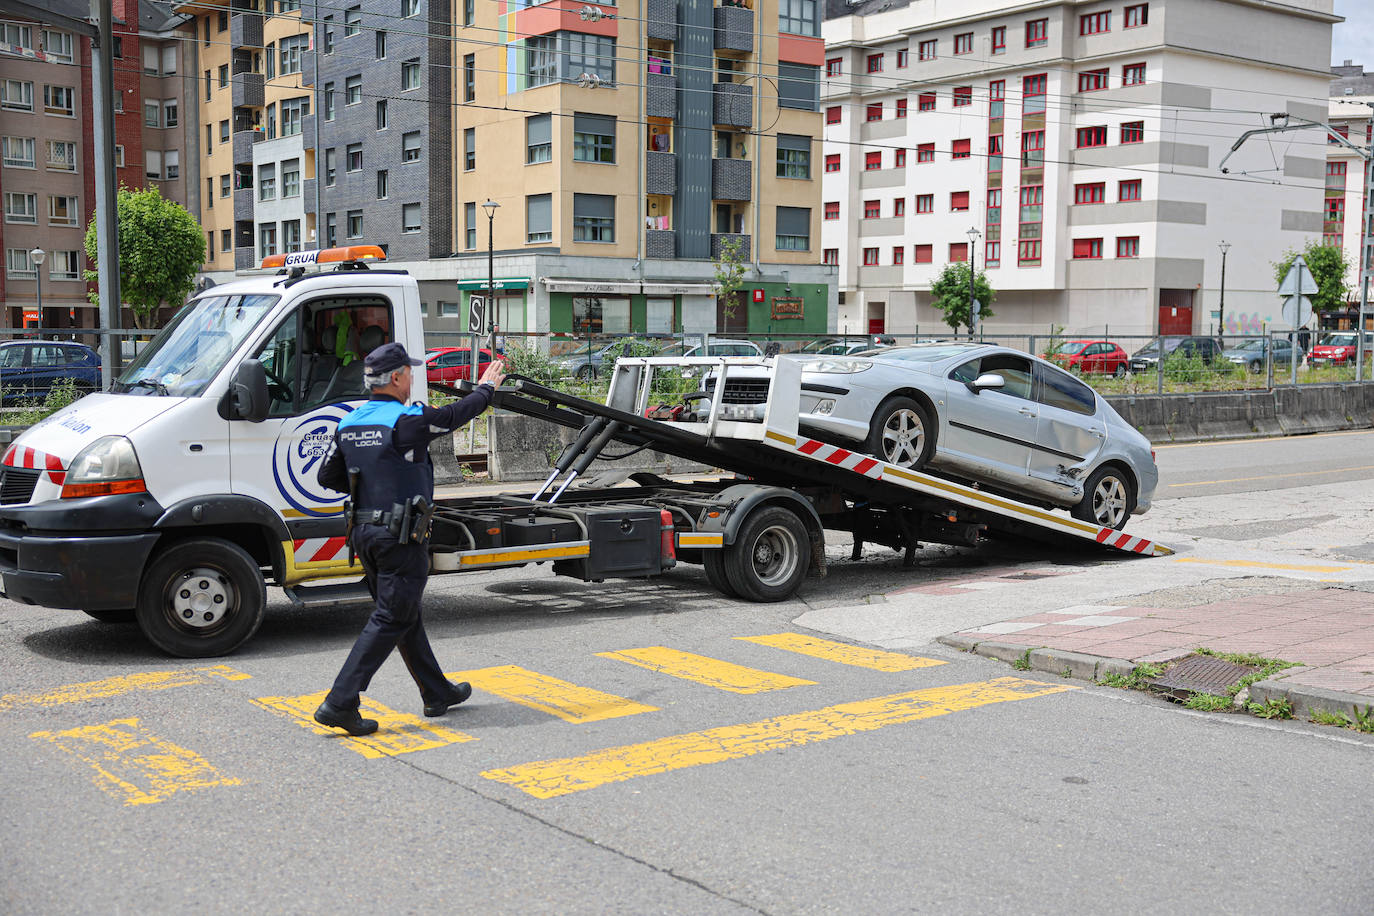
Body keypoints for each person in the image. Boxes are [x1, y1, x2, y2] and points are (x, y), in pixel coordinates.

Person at [312, 341, 506, 737]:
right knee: (392, 616)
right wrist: (485, 390)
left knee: (404, 614)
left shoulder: (348, 424)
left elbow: (327, 479)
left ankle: (437, 692)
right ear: (398, 377)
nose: (412, 378)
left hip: (364, 535)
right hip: (399, 537)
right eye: (410, 372)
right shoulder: (405, 421)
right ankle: (340, 701)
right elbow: (453, 416)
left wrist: (371, 471)